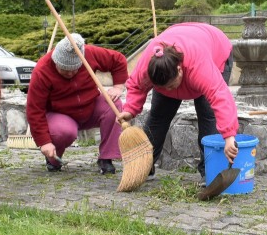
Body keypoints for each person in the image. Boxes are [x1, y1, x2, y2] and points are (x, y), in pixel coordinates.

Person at [118, 22, 239, 177]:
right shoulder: (151, 65)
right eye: (163, 87)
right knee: (158, 115)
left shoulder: (199, 67)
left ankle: (210, 171)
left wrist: (229, 136)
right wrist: (130, 109)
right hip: (181, 39)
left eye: (170, 85)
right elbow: (136, 85)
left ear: (179, 70)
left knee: (208, 115)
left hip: (214, 48)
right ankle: (144, 166)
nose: (168, 90)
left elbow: (220, 97)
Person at [25, 33, 128, 174]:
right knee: (62, 132)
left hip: (90, 106)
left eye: (75, 69)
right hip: (61, 115)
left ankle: (106, 158)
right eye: (65, 70)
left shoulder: (89, 53)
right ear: (56, 62)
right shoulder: (42, 70)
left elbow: (118, 59)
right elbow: (34, 110)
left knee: (114, 104)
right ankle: (54, 159)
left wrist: (118, 86)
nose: (70, 74)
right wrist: (44, 142)